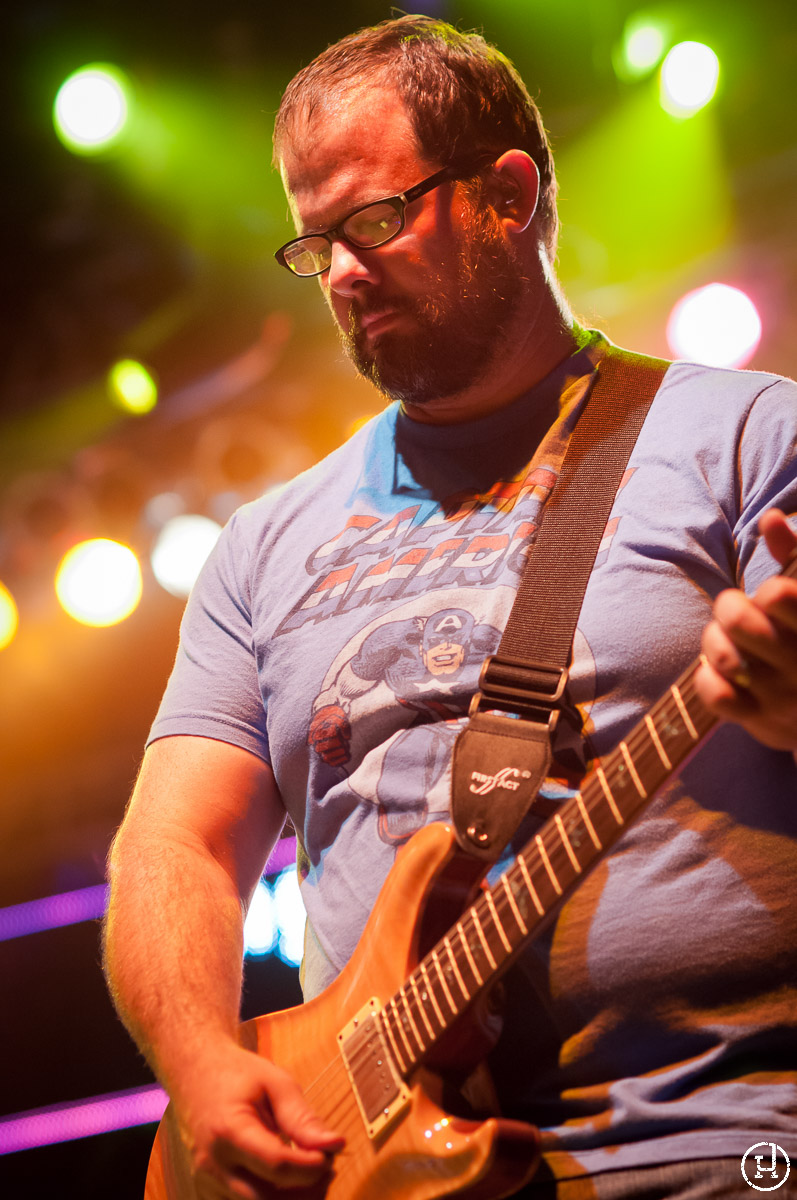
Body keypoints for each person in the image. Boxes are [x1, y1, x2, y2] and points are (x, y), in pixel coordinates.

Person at [103, 15, 797, 1199]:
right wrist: (201, 1061)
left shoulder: (745, 435)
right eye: (315, 243)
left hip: (711, 1140)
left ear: (508, 194)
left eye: (373, 220)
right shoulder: (265, 546)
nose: (345, 271)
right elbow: (174, 846)